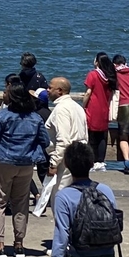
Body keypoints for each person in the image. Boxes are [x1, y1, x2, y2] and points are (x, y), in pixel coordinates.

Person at [0, 75, 51, 257]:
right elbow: (46, 141)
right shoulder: (34, 118)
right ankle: (19, 245)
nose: (3, 94)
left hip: (2, 163)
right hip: (26, 165)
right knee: (21, 204)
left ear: (12, 97)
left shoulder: (0, 116)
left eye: (5, 92)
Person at [50, 141, 121, 257]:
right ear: (91, 164)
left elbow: (62, 235)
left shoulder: (64, 196)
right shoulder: (106, 191)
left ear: (67, 164)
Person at [45, 77, 89, 208]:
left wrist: (53, 163)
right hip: (82, 157)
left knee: (60, 198)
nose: (47, 90)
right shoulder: (77, 107)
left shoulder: (61, 109)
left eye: (50, 88)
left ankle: (64, 227)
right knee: (77, 197)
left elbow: (63, 140)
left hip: (66, 159)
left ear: (60, 91)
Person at [82, 53, 118, 171]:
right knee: (102, 136)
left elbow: (88, 92)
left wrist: (83, 106)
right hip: (104, 109)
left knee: (91, 136)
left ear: (97, 62)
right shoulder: (109, 76)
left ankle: (91, 162)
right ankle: (100, 162)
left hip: (93, 108)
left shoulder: (93, 74)